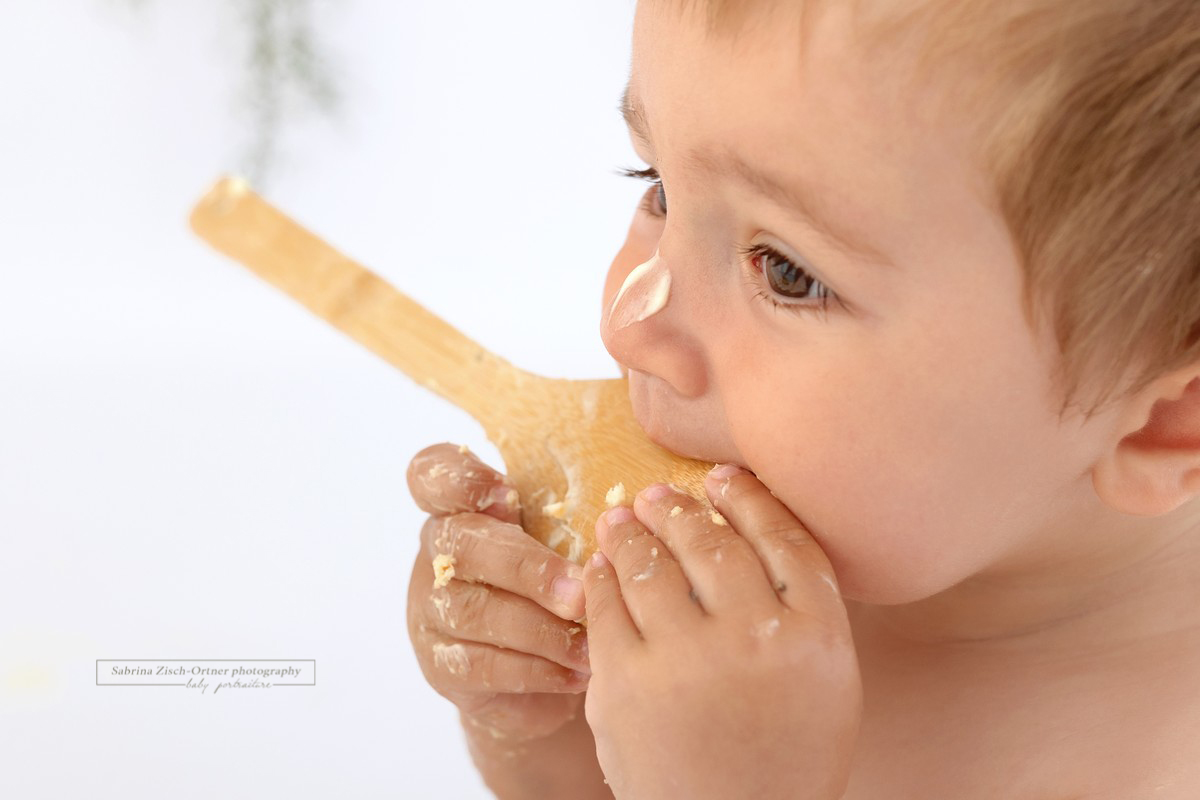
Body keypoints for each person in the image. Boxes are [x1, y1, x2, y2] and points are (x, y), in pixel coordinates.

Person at [405, 0, 1200, 796]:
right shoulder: (746, 569)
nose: (629, 329)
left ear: (1162, 423)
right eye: (660, 190)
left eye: (788, 272)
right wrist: (527, 718)